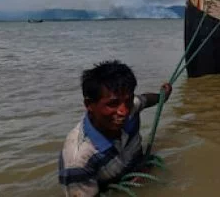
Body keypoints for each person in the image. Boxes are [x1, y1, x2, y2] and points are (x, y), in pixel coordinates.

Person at [58, 60, 173, 196]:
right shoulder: (78, 162)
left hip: (138, 169)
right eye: (112, 104)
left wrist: (163, 97)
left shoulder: (130, 107)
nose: (123, 111)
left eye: (128, 101)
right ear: (89, 104)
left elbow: (144, 100)